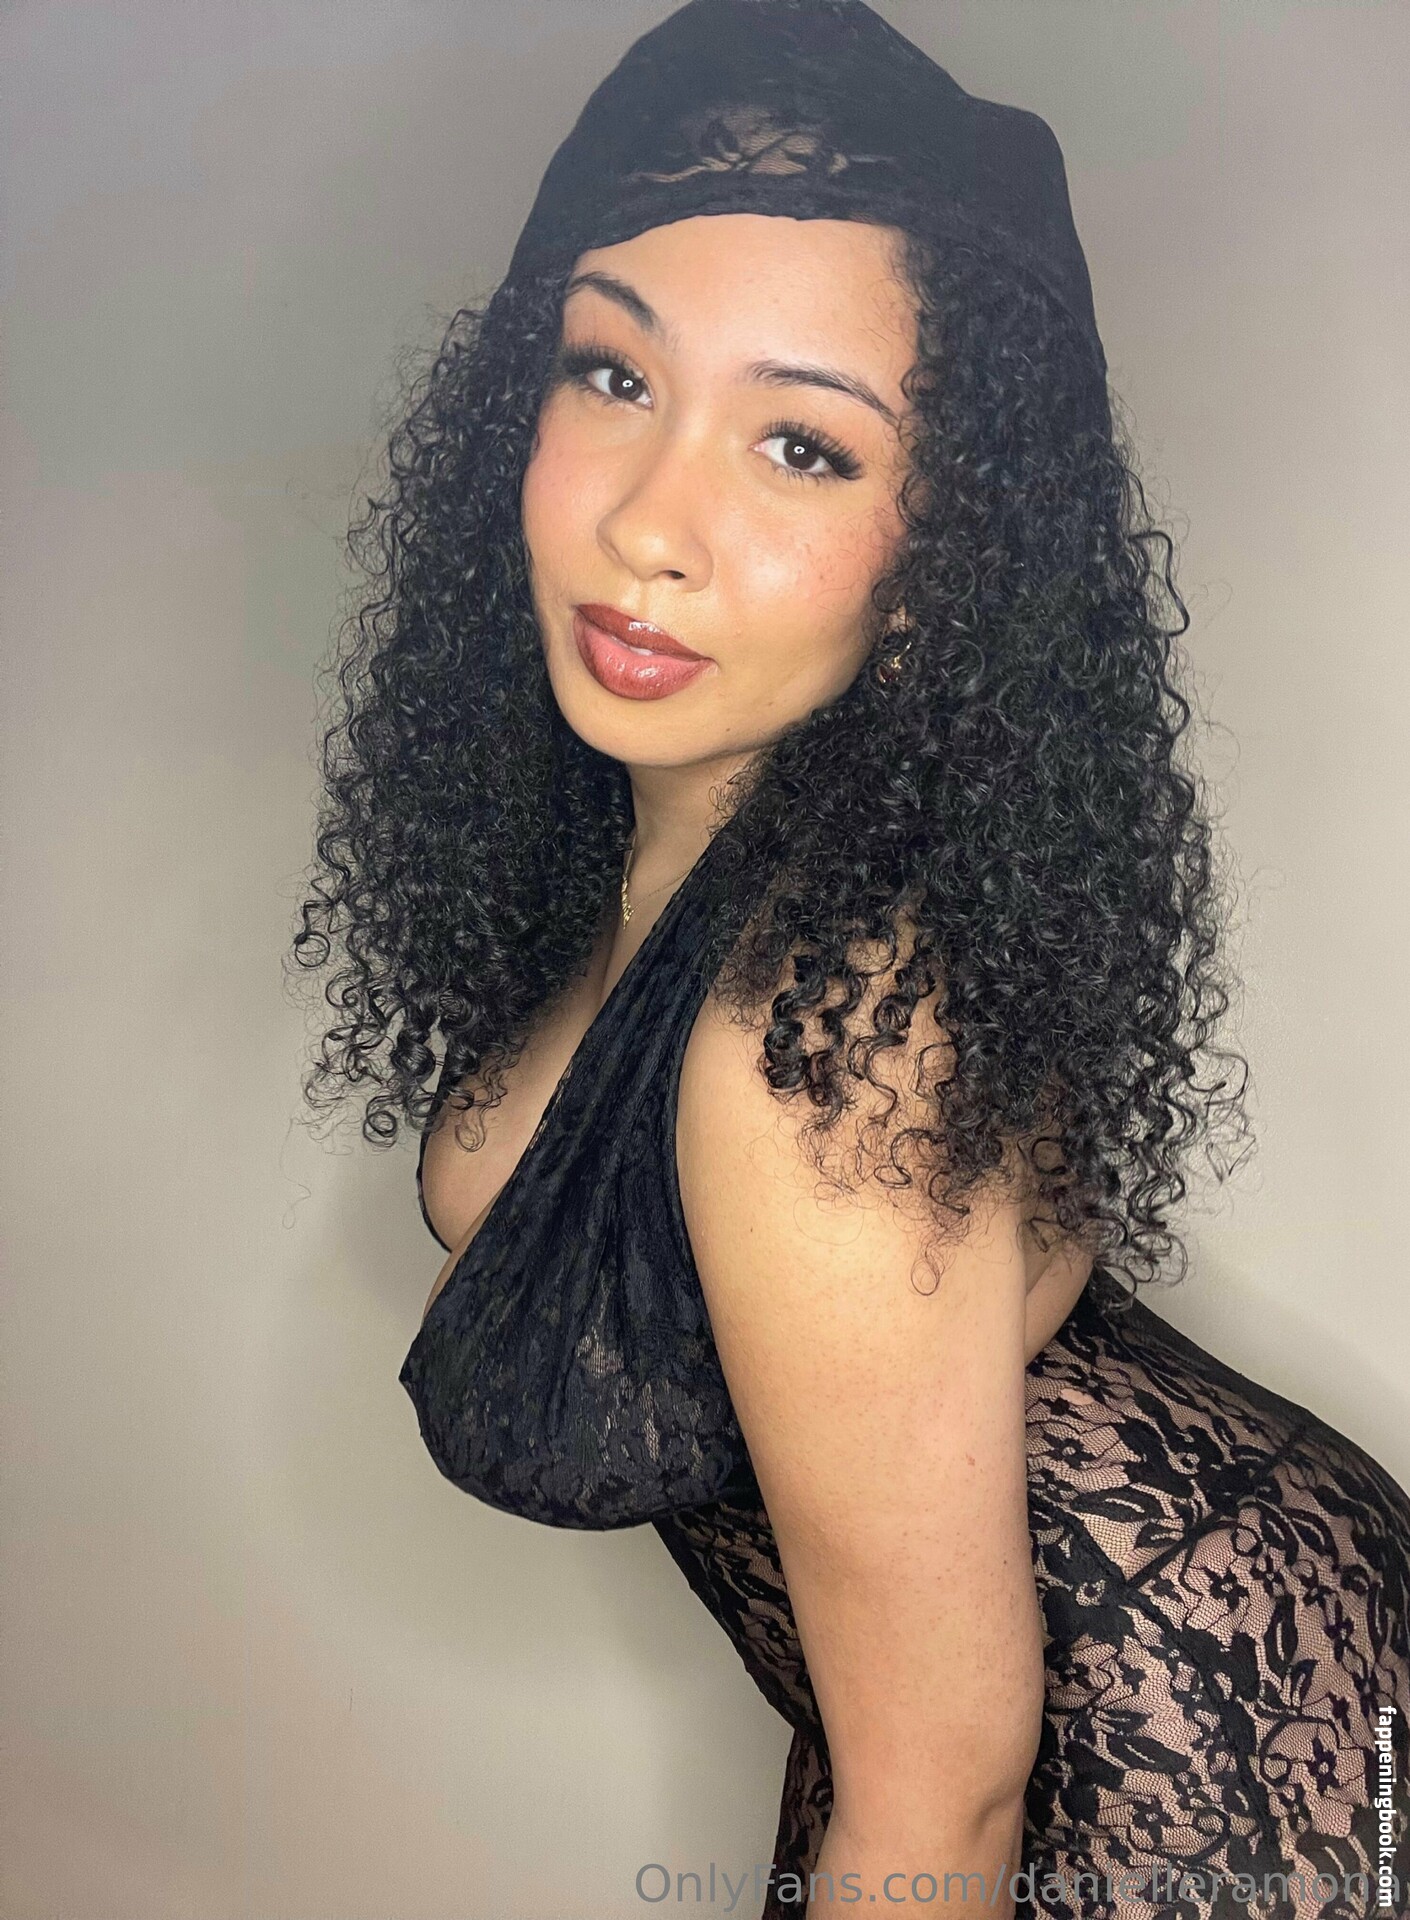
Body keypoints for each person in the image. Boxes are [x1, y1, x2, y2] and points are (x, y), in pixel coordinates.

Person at [291, 4, 1410, 1914]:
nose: (649, 525)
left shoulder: (820, 1041)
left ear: (940, 561)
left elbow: (942, 1798)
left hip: (1209, 1748)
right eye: (612, 373)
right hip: (975, 1729)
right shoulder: (676, 851)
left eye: (803, 445)